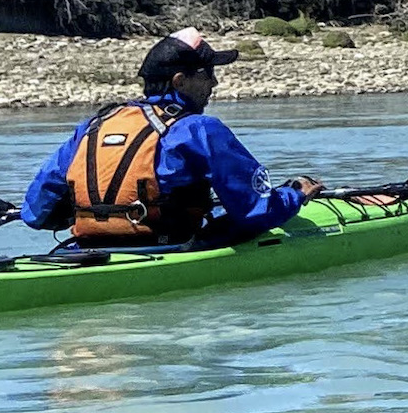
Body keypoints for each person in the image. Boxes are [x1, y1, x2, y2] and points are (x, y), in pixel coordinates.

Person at [22, 28, 321, 248]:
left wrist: (86, 213)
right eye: (207, 73)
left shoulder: (94, 125)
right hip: (170, 245)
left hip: (88, 249)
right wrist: (295, 193)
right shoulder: (199, 129)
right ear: (180, 80)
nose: (214, 82)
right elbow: (256, 211)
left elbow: (34, 213)